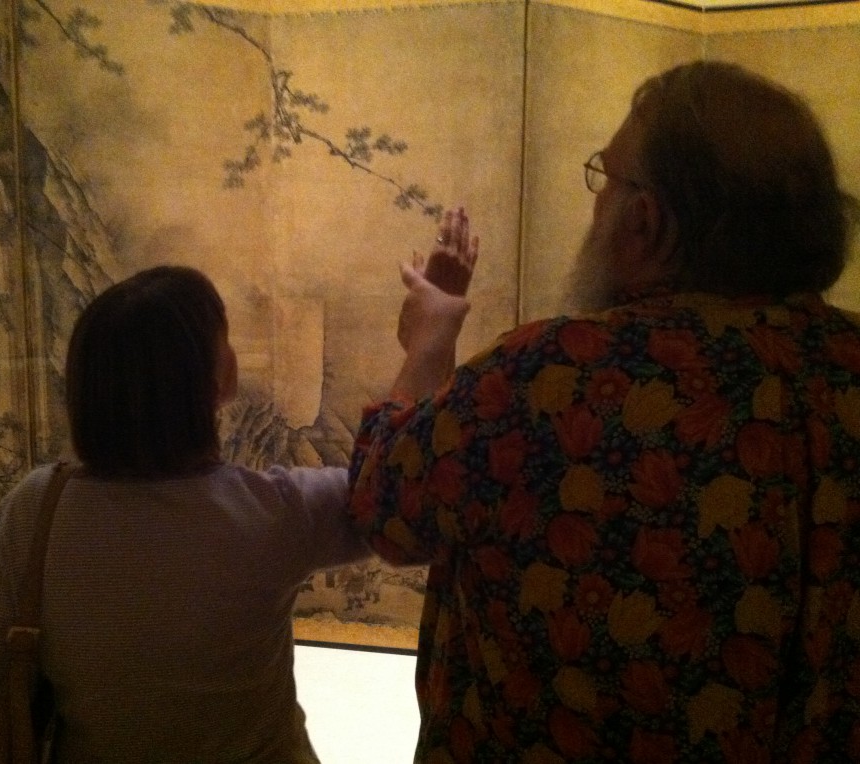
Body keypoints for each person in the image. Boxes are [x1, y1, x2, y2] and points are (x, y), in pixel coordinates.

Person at [348, 60, 860, 762]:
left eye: (605, 177)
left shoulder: (556, 374)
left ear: (645, 221)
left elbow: (387, 507)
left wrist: (430, 334)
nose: (599, 200)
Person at [0, 265, 369, 762]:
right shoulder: (276, 512)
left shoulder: (34, 512)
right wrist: (427, 343)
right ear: (217, 381)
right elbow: (397, 488)